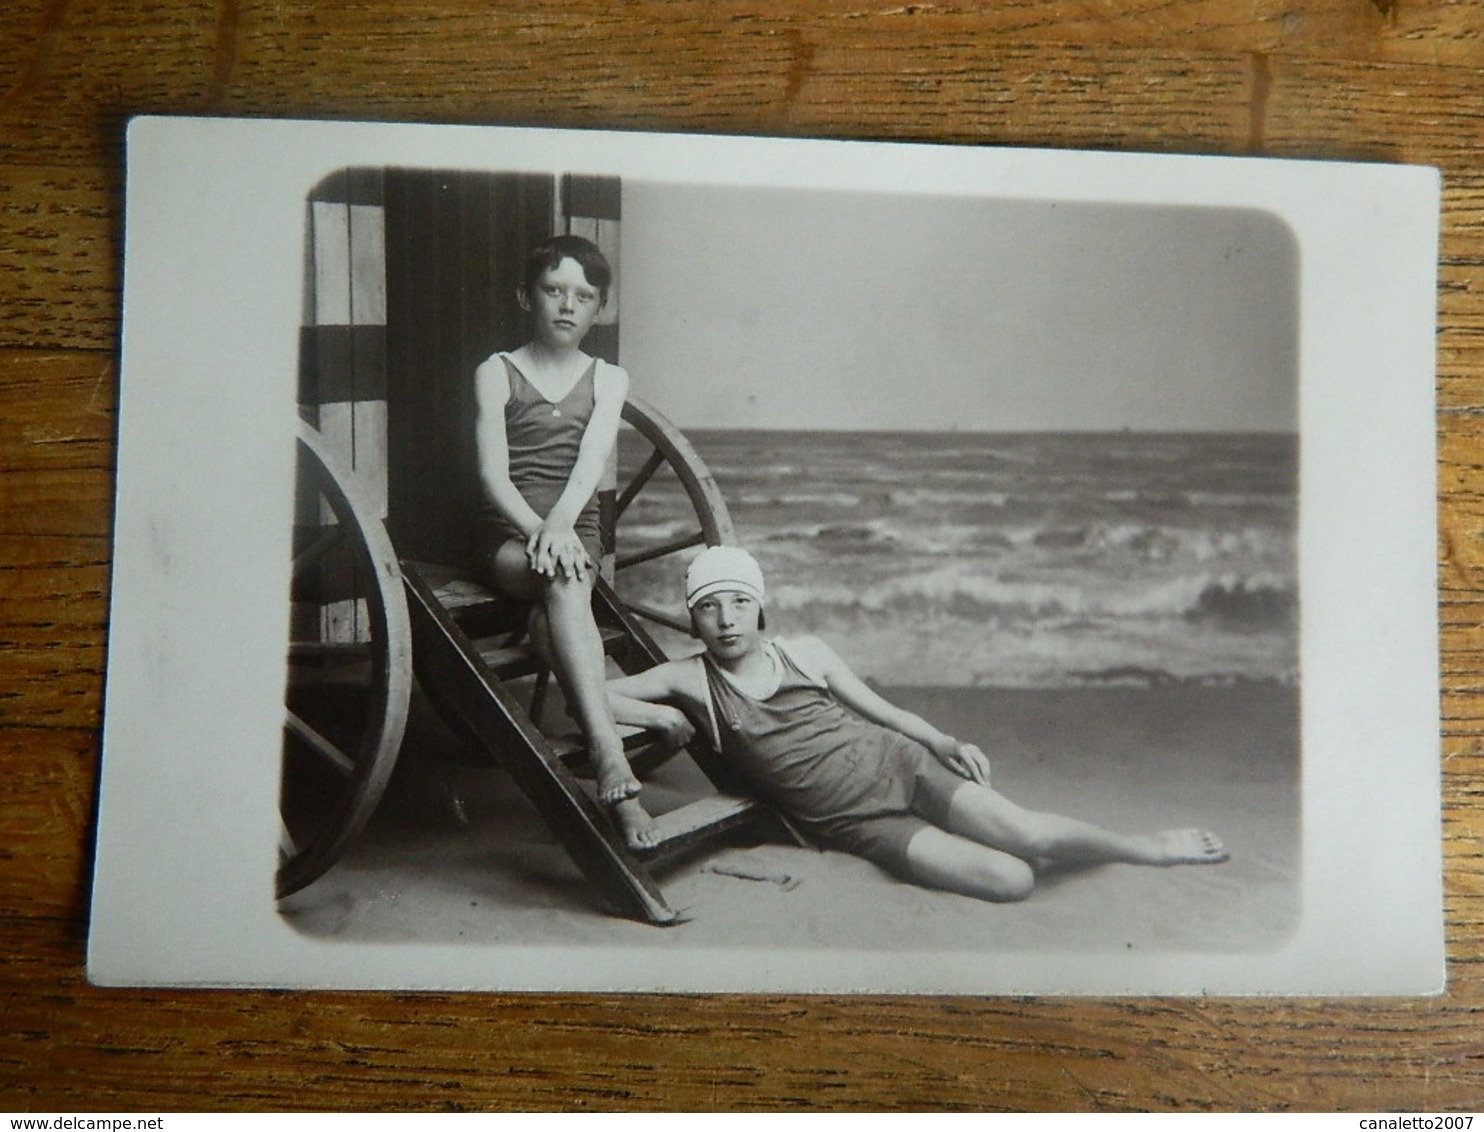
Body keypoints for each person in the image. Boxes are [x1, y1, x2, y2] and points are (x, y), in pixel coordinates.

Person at [605, 546, 1228, 902]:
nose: (726, 619)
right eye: (708, 608)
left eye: (739, 601)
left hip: (901, 764)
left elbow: (885, 711)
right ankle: (1015, 839)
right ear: (693, 619)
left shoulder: (807, 651)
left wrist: (941, 739)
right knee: (1013, 880)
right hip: (856, 823)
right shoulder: (687, 680)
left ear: (759, 605)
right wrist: (658, 714)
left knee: (1030, 835)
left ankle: (1143, 848)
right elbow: (596, 697)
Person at [472, 234, 656, 849]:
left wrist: (562, 528)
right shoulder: (496, 372)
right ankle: (613, 758)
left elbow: (590, 465)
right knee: (561, 578)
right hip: (511, 537)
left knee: (569, 577)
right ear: (527, 297)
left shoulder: (609, 377)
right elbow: (494, 476)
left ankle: (615, 747)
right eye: (554, 290)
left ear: (598, 309)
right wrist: (537, 531)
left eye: (584, 296)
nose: (567, 306)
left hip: (574, 533)